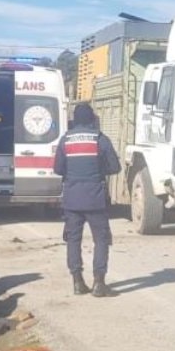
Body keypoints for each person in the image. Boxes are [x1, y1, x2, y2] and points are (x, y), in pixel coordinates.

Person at [53, 102, 121, 297]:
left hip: (72, 199)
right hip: (95, 199)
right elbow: (115, 167)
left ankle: (77, 282)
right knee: (101, 239)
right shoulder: (100, 139)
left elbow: (58, 169)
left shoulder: (65, 141)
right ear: (92, 119)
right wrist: (99, 170)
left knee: (73, 240)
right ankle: (99, 283)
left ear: (74, 120)